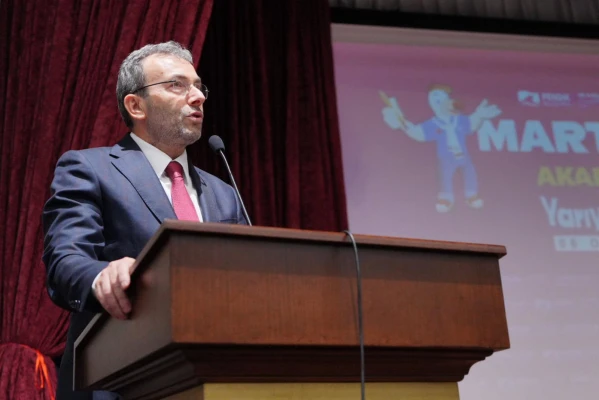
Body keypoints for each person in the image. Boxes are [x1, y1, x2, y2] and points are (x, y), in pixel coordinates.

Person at [42, 41, 247, 400]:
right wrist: (102, 277)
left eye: (199, 86)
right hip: (118, 380)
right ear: (136, 105)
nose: (198, 96)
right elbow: (65, 261)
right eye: (177, 85)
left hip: (214, 380)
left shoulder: (223, 192)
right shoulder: (90, 168)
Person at [382, 84, 501, 213]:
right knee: (445, 176)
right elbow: (419, 133)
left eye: (444, 100)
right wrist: (403, 125)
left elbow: (471, 124)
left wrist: (479, 115)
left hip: (463, 155)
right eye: (437, 101)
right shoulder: (433, 124)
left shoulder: (459, 120)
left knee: (469, 173)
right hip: (445, 157)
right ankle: (446, 198)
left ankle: (471, 196)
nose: (442, 104)